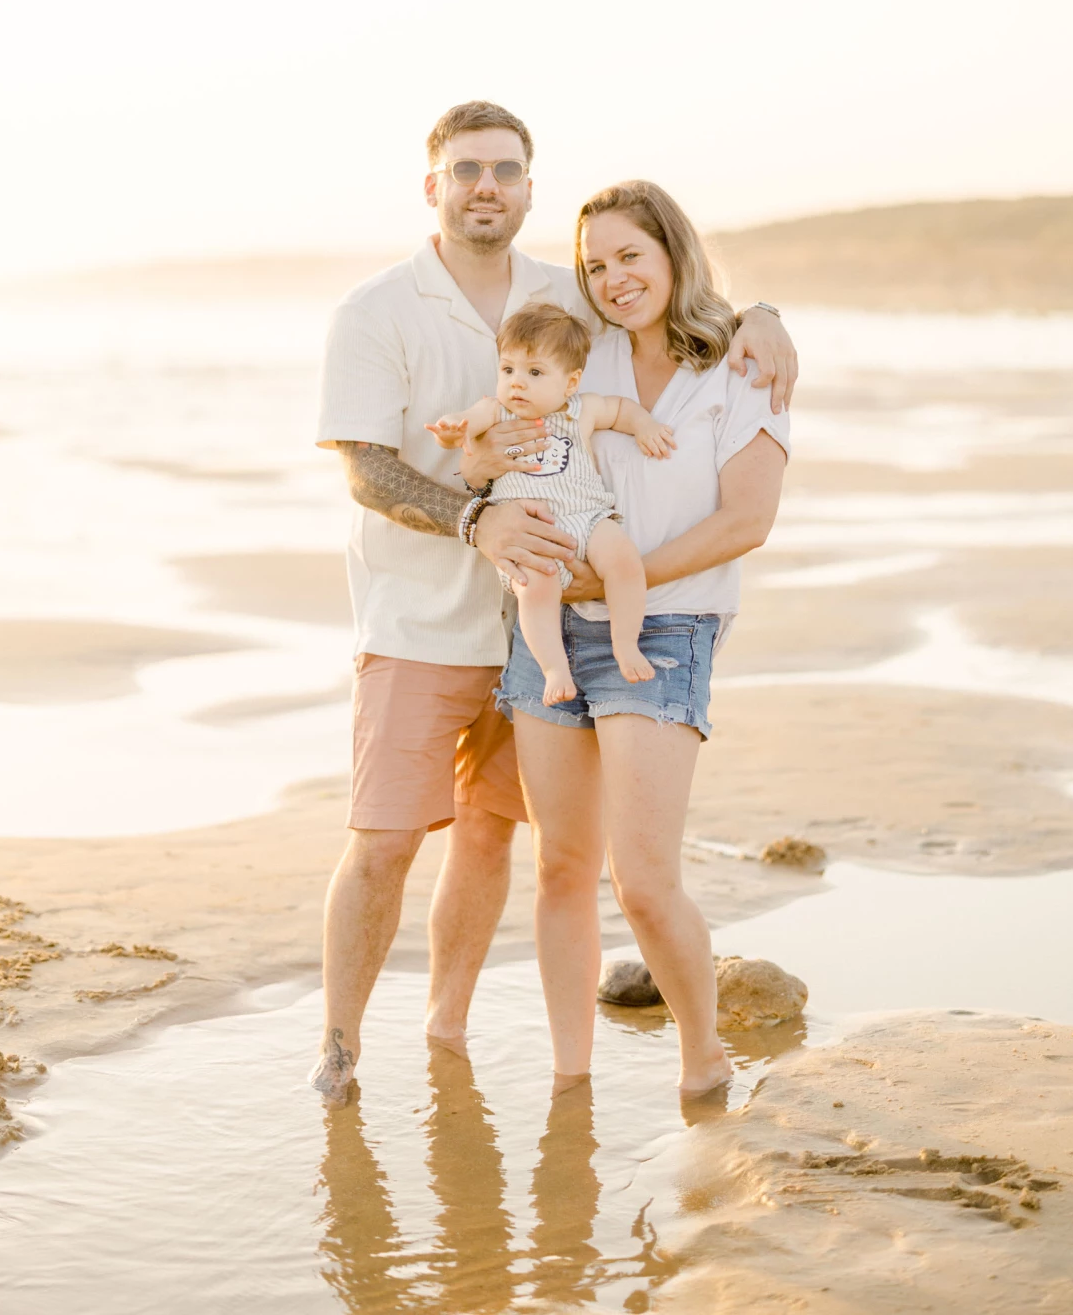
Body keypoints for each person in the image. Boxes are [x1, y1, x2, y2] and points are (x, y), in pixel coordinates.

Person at [310, 102, 797, 1101]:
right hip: (427, 620)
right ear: (433, 185)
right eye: (465, 169)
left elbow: (678, 318)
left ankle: (455, 1031)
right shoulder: (383, 312)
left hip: (552, 627)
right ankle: (342, 1049)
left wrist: (765, 318)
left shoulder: (565, 302)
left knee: (511, 842)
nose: (485, 185)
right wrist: (473, 515)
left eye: (505, 170)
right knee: (396, 840)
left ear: (527, 189)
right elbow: (368, 466)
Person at [497, 180, 789, 1098]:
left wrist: (622, 579)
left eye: (632, 255)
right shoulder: (584, 362)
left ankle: (702, 1061)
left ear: (673, 252)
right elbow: (499, 444)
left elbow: (747, 520)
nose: (615, 278)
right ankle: (569, 1078)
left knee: (644, 881)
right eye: (596, 265)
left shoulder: (739, 366)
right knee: (558, 865)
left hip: (667, 626)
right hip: (550, 625)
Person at [427, 300, 676, 702]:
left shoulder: (583, 409)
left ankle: (625, 643)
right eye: (508, 370)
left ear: (570, 383)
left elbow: (622, 410)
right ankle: (554, 668)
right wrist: (452, 431)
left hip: (588, 517)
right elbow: (466, 423)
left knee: (624, 561)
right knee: (535, 588)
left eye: (535, 372)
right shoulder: (496, 411)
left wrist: (644, 425)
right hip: (531, 533)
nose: (517, 383)